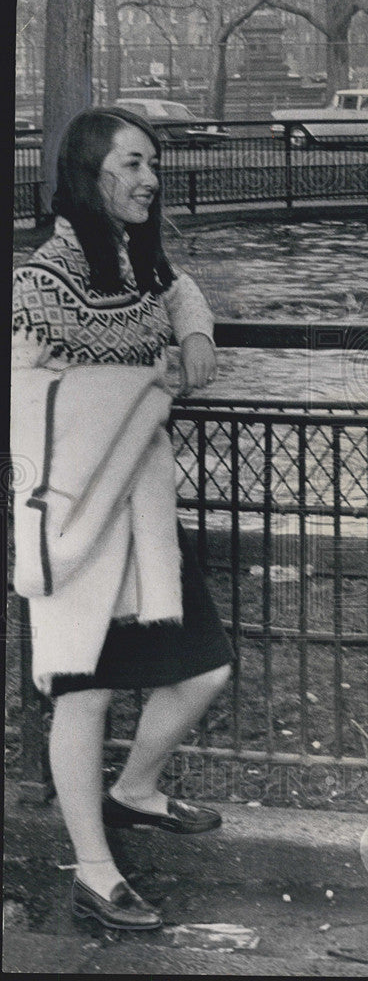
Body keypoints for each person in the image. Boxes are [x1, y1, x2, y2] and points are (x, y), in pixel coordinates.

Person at [11, 107, 233, 931]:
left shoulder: (138, 262)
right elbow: (25, 399)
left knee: (203, 668)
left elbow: (180, 292)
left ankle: (134, 789)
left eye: (154, 165)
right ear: (90, 173)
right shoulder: (40, 281)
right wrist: (146, 386)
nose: (150, 180)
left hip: (142, 506)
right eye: (134, 164)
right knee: (86, 694)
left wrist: (197, 330)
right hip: (73, 512)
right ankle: (95, 875)